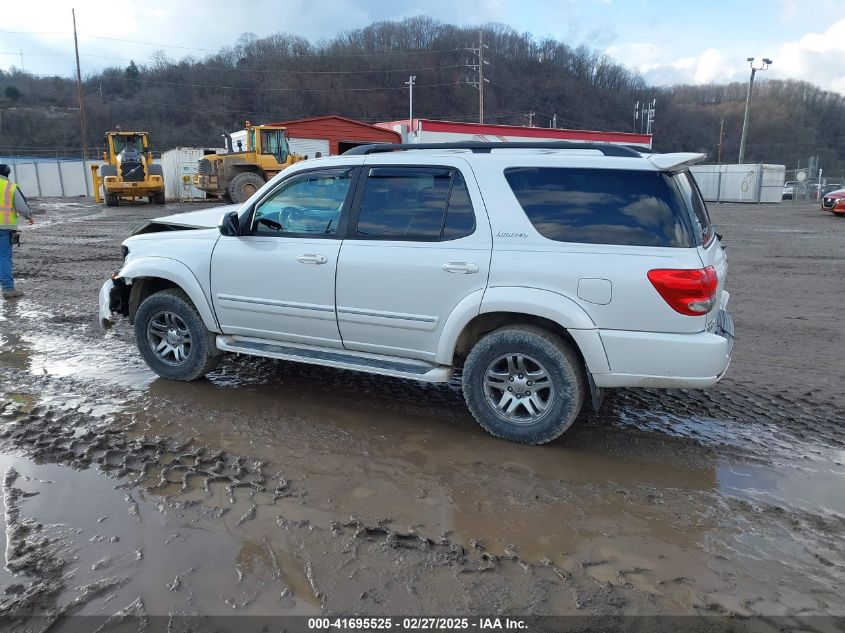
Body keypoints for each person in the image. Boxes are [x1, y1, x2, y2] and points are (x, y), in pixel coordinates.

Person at [0, 164, 35, 299]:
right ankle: (8, 289)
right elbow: (22, 207)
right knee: (4, 257)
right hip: (4, 228)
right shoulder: (10, 187)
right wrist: (29, 217)